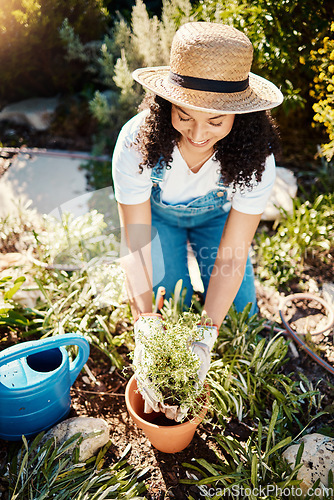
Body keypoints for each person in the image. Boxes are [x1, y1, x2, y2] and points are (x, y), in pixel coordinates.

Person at [112, 22, 283, 419]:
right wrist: (145, 325)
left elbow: (232, 257)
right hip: (160, 221)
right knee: (166, 307)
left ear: (240, 117)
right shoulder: (136, 143)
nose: (198, 134)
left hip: (216, 224)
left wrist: (206, 336)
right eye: (184, 116)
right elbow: (136, 243)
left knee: (239, 316)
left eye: (216, 121)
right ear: (165, 104)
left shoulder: (257, 162)